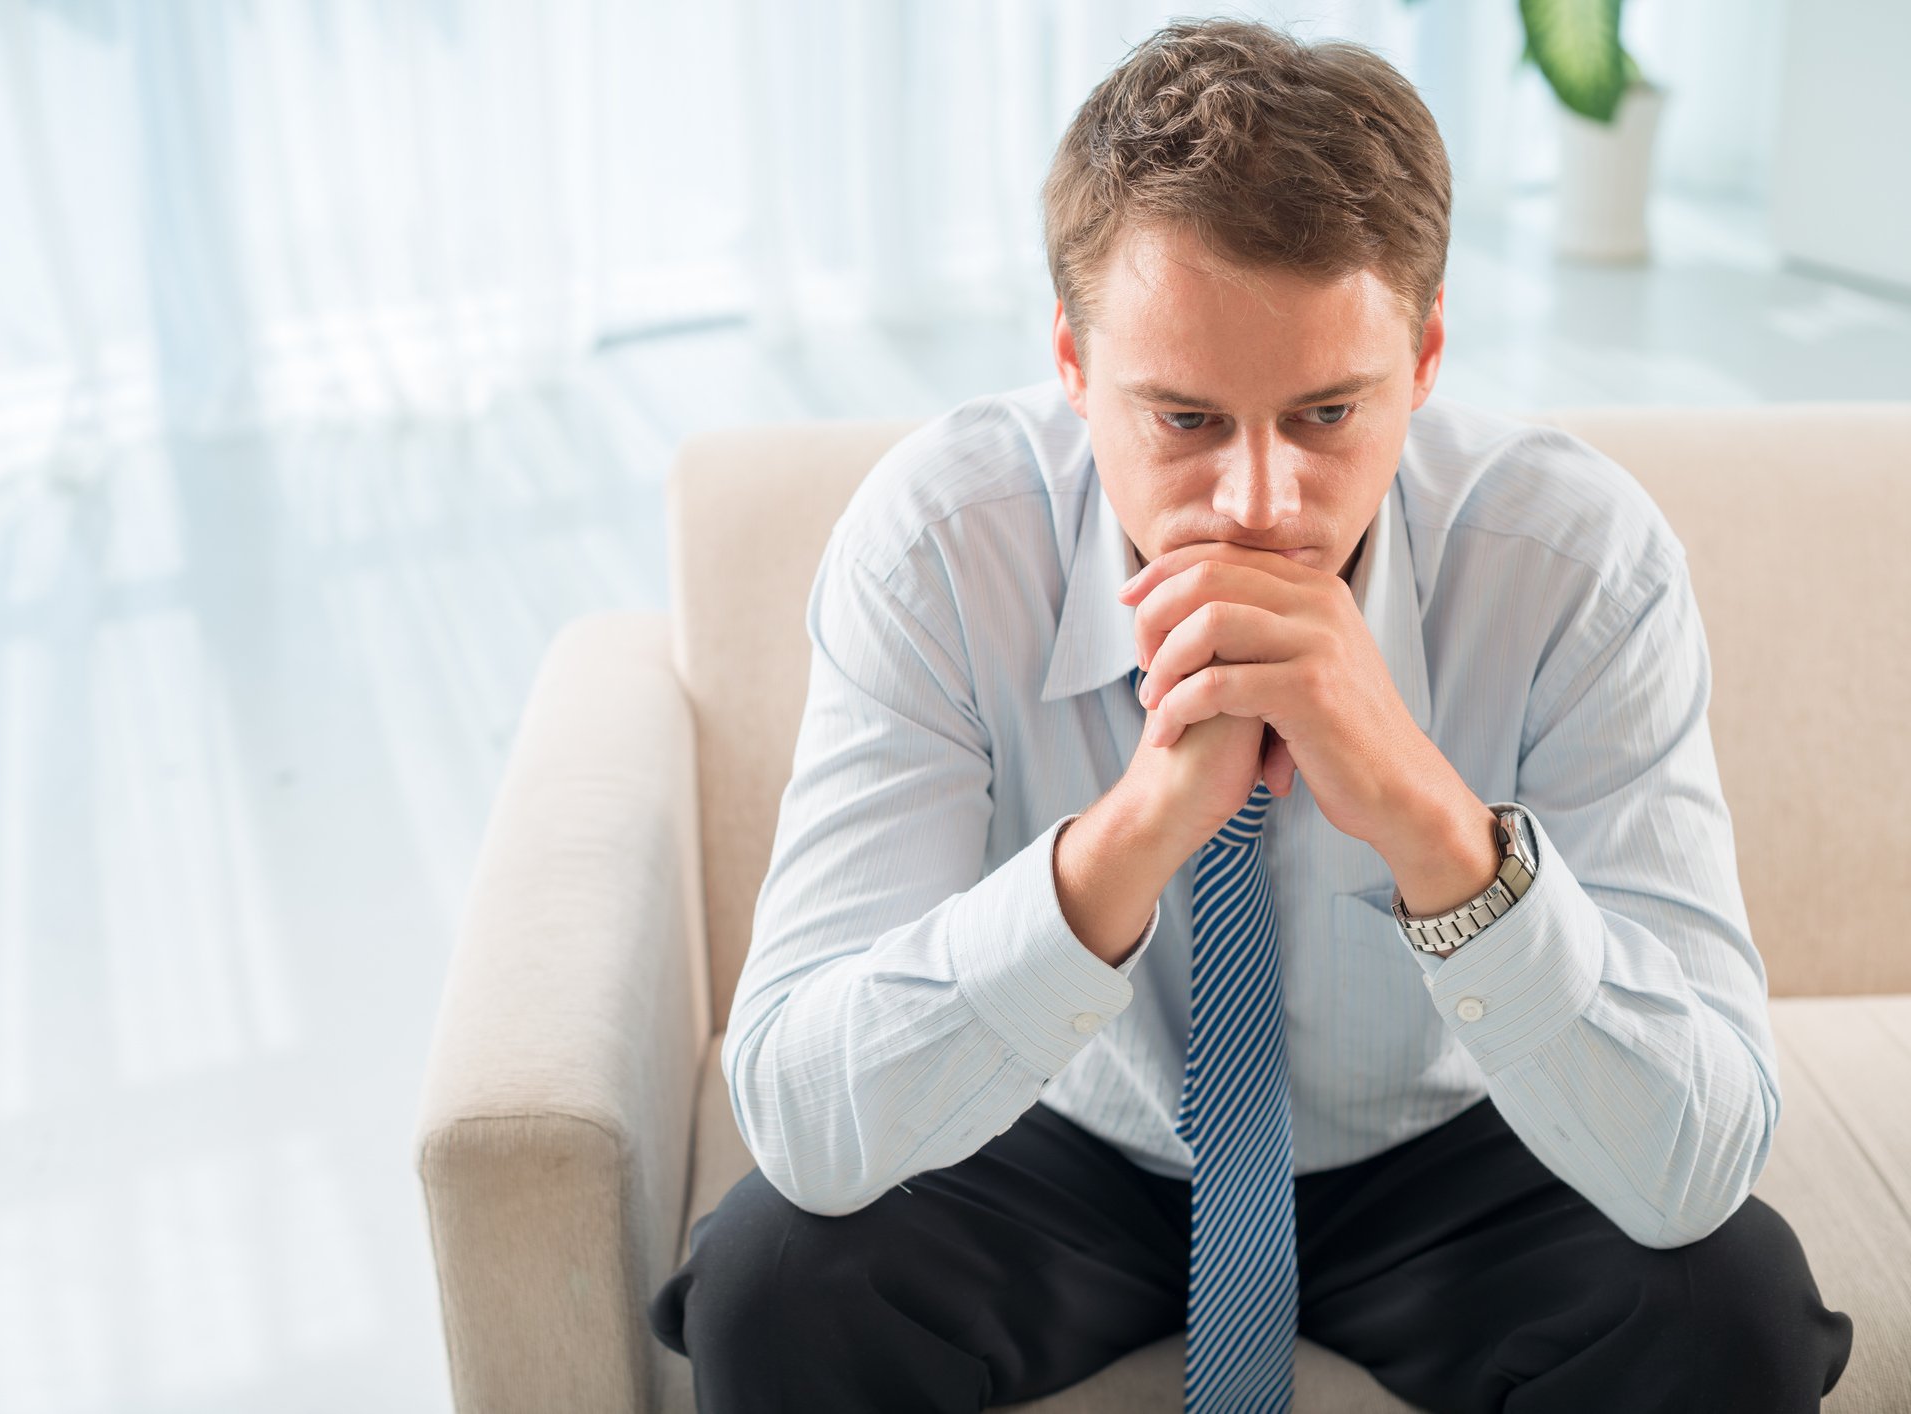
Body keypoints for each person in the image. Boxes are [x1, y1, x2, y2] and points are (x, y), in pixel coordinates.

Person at [648, 17, 1855, 1413]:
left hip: (1455, 1140)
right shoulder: (937, 545)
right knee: (774, 1280)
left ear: (1428, 353)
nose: (1262, 504)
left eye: (1330, 411)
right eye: (1185, 419)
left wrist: (1428, 816)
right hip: (1061, 1130)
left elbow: (1701, 1152)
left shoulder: (1583, 564)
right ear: (1071, 362)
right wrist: (1136, 835)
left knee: (1732, 1307)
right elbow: (798, 1110)